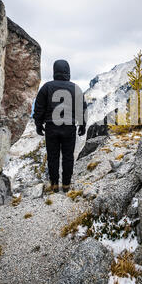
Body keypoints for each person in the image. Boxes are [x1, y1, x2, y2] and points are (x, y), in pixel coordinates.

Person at [33, 59, 87, 193]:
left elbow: (39, 108)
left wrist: (38, 124)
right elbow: (82, 109)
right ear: (68, 71)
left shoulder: (46, 87)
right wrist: (82, 125)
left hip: (52, 127)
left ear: (54, 71)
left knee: (53, 156)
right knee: (68, 156)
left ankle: (54, 185)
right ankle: (67, 185)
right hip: (69, 127)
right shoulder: (76, 88)